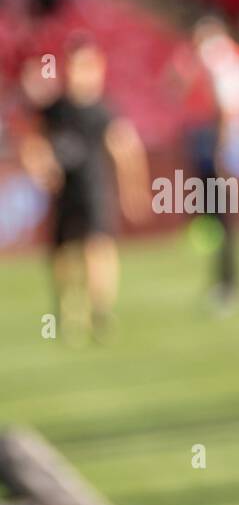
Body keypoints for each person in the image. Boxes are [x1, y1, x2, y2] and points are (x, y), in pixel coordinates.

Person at [20, 37, 150, 342]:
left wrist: (134, 190)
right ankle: (66, 313)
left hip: (94, 191)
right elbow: (33, 142)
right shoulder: (55, 109)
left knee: (98, 249)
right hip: (64, 192)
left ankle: (100, 312)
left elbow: (127, 149)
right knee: (63, 255)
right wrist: (40, 165)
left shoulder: (103, 110)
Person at [184, 16, 239, 313]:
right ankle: (225, 282)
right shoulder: (219, 60)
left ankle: (229, 285)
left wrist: (222, 151)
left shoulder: (223, 61)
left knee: (224, 217)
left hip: (225, 144)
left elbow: (230, 109)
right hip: (222, 141)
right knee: (219, 217)